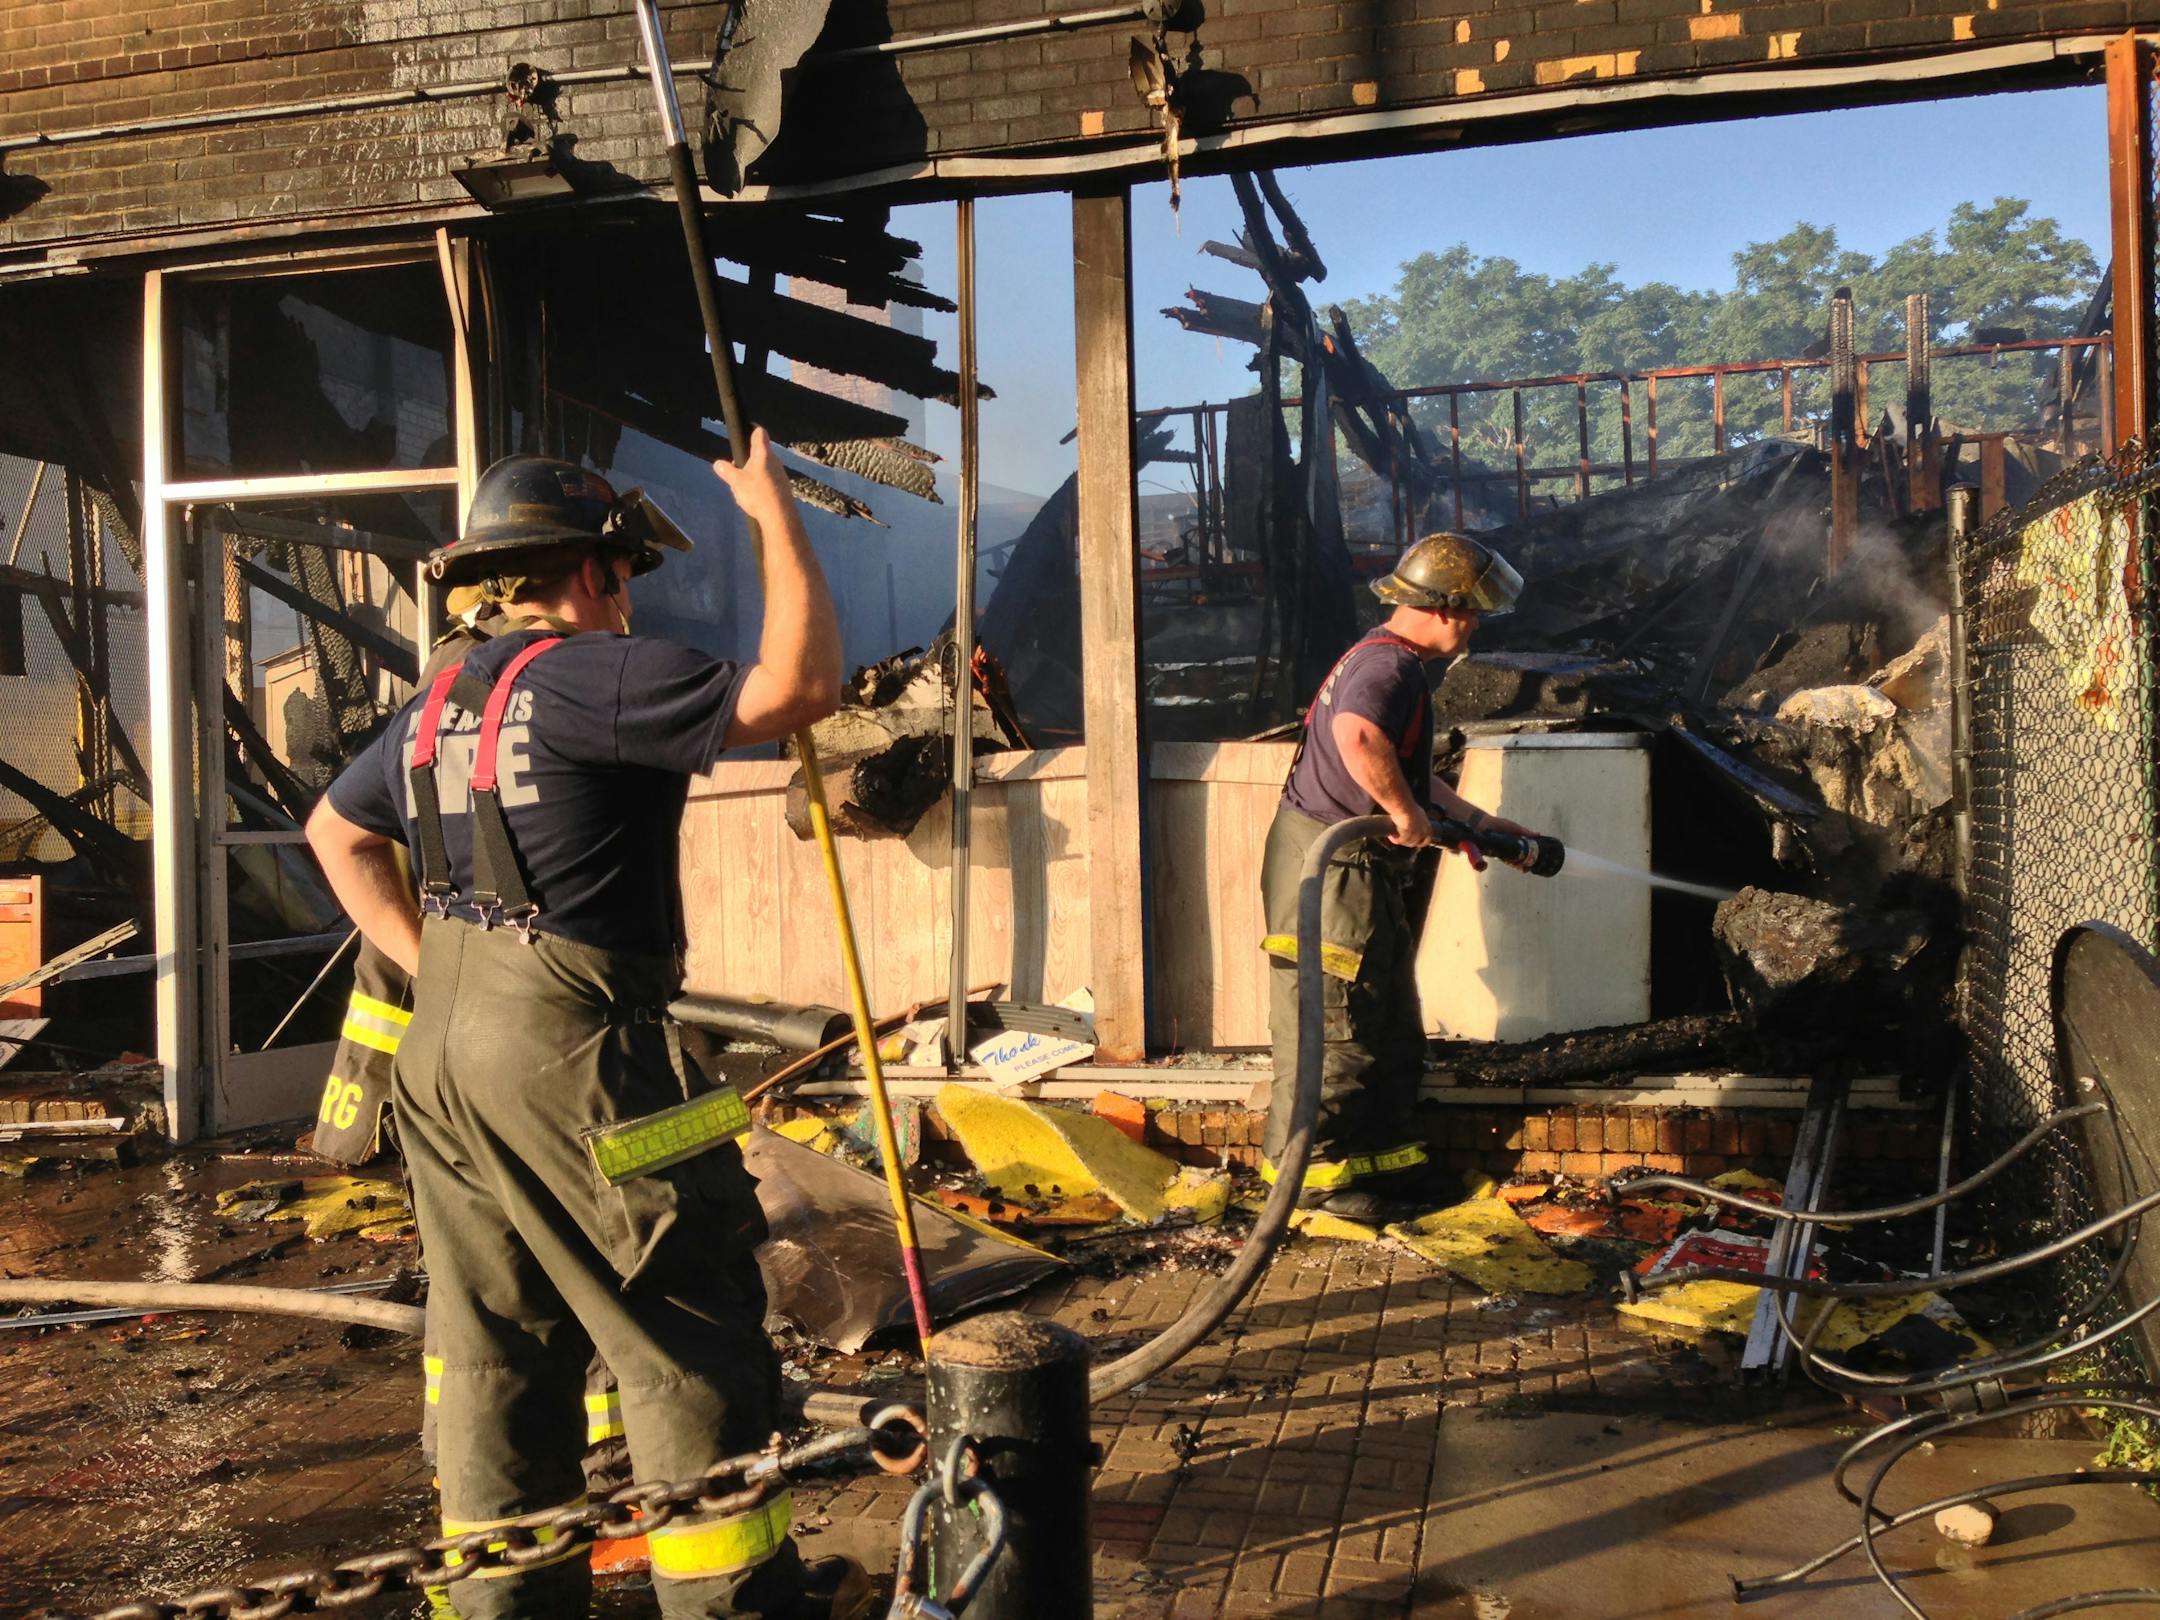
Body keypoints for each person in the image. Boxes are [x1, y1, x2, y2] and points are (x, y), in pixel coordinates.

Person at [306, 434, 868, 1620]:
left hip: (443, 1064)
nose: (630, 600)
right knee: (687, 1338)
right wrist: (776, 516)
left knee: (493, 1354)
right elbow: (799, 691)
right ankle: (731, 1607)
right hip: (579, 1060)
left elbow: (335, 834)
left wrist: (437, 969)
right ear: (596, 570)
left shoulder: (437, 705)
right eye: (625, 575)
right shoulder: (594, 675)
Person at [1259, 531, 1551, 1221]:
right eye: (1472, 612)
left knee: (1388, 1027)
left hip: (1358, 869)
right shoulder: (1386, 668)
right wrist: (1402, 814)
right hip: (1333, 871)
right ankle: (1311, 1183)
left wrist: (1477, 822)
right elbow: (1359, 738)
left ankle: (1387, 1167)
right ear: (1444, 607)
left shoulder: (1392, 661)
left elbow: (1402, 769)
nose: (1475, 626)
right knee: (1335, 1031)